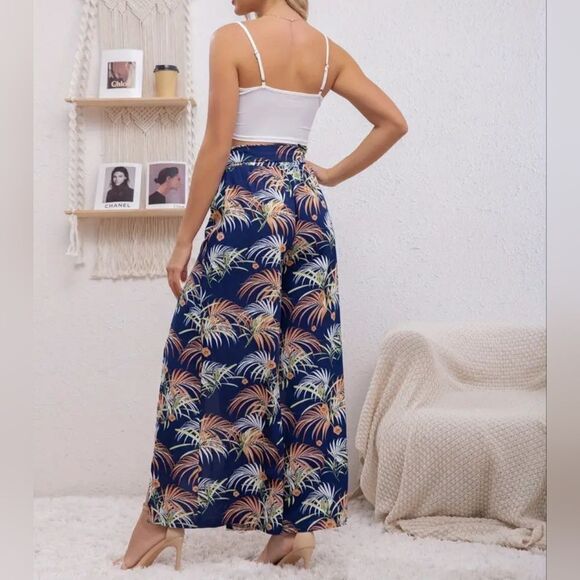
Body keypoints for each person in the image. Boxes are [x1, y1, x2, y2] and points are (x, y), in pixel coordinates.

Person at [114, 0, 407, 571]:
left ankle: (160, 520)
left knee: (202, 355)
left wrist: (183, 240)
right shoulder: (328, 52)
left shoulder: (234, 39)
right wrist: (328, 174)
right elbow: (393, 122)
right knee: (304, 362)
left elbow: (216, 145)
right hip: (305, 207)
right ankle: (295, 529)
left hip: (250, 205)